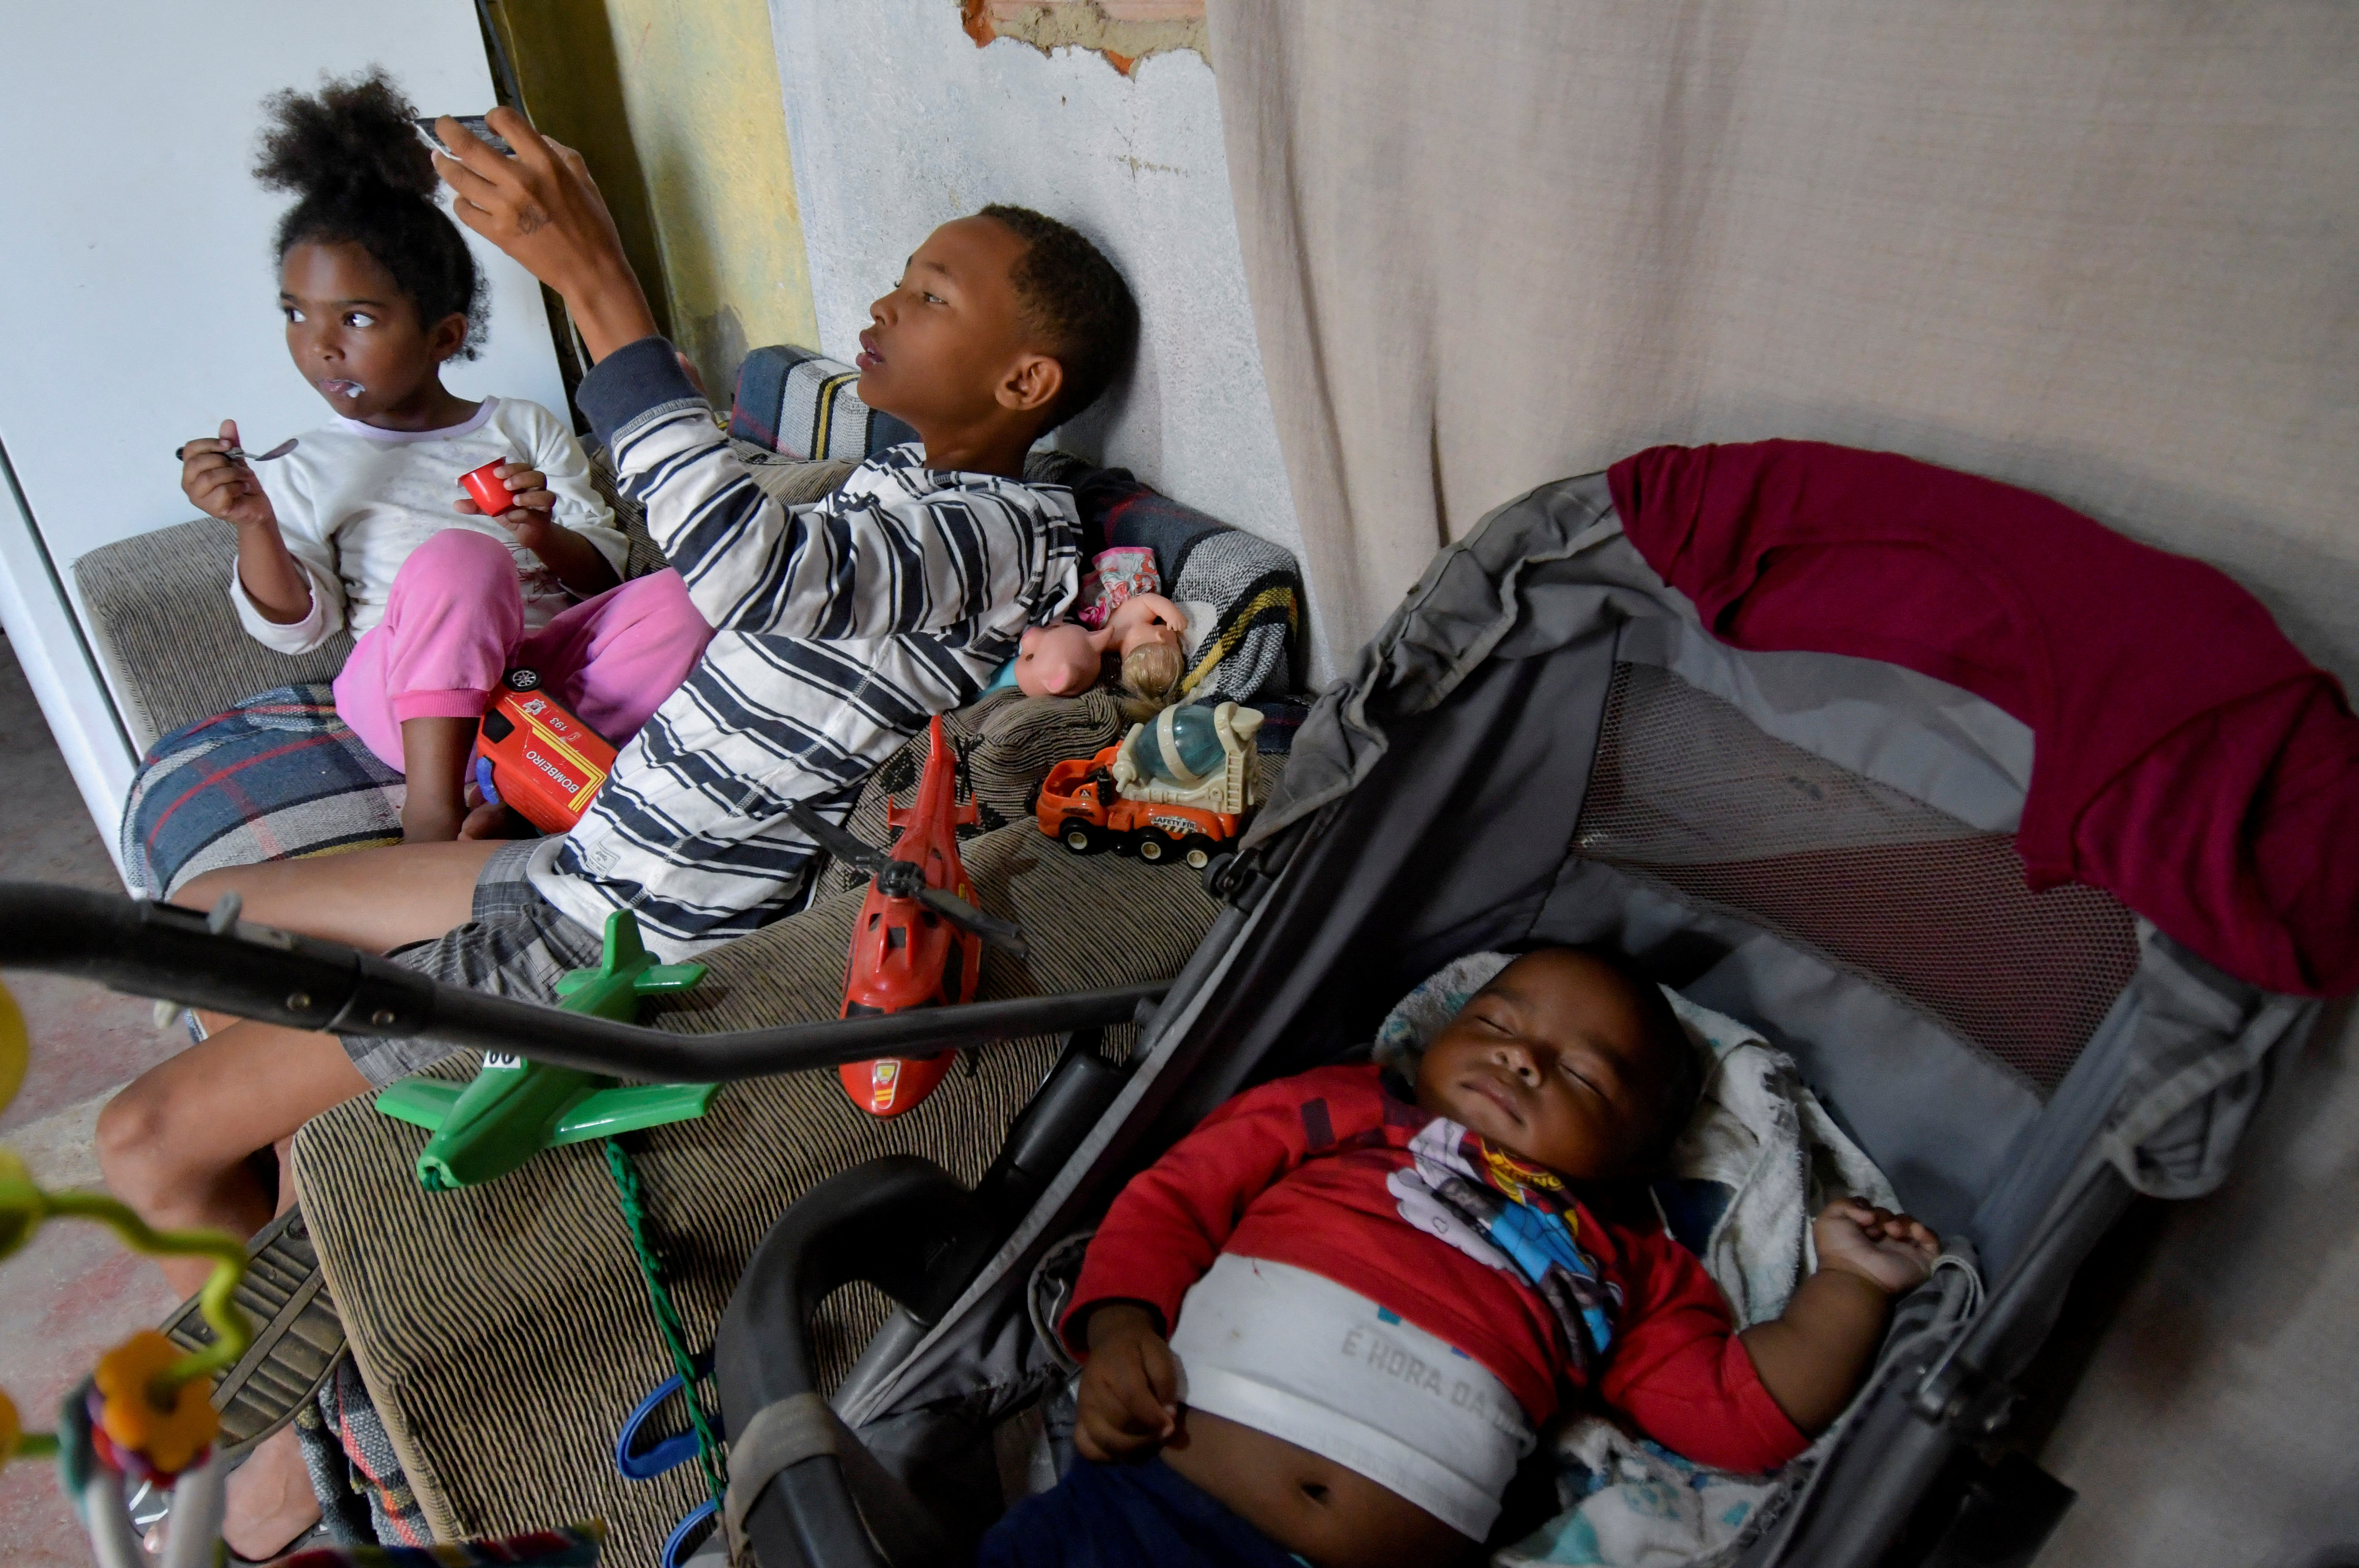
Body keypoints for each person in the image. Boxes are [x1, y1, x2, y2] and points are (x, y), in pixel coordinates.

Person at [97, 101, 1137, 1556]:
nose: (883, 305)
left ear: (1029, 376)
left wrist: (597, 284)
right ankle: (305, 1269)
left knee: (142, 1137)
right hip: (590, 858)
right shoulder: (896, 485)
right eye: (897, 279)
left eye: (931, 295)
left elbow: (748, 558)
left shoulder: (1006, 536)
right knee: (228, 918)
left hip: (611, 941)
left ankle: (286, 1443)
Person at [982, 948, 1942, 1568]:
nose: (1523, 1058)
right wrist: (1119, 1323)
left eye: (1582, 1074)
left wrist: (1849, 1285)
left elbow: (1740, 1413)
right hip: (1147, 1499)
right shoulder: (1344, 1109)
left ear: (1634, 1157)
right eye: (1495, 1024)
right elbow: (1177, 1198)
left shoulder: (1626, 1265)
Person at [176, 69, 709, 843]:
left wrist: (541, 534)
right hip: (408, 703)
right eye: (296, 315)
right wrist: (253, 523)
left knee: (687, 594)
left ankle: (527, 791)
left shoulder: (522, 425)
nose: (320, 346)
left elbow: (604, 578)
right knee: (460, 558)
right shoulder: (301, 466)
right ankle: (435, 816)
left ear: (444, 336)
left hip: (547, 685)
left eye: (355, 318)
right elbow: (296, 627)